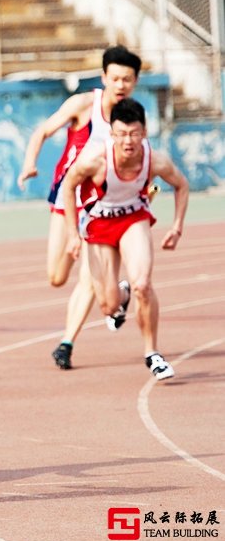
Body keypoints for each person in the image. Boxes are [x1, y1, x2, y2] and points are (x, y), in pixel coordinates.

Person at [17, 45, 143, 370]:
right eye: (115, 78)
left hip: (99, 208)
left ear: (135, 81)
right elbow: (42, 131)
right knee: (56, 277)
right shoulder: (84, 105)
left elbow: (145, 168)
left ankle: (66, 343)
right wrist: (29, 164)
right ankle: (122, 292)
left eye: (127, 80)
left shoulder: (133, 122)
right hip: (65, 198)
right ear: (104, 77)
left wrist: (142, 202)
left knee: (92, 284)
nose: (120, 85)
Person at [61, 98, 188, 380]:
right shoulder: (95, 159)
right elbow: (68, 186)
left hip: (133, 220)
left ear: (144, 132)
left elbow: (181, 185)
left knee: (144, 284)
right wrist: (72, 234)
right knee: (108, 306)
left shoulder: (154, 159)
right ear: (111, 133)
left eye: (134, 134)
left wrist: (177, 226)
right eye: (121, 134)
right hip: (98, 226)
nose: (128, 141)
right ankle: (123, 293)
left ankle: (152, 353)